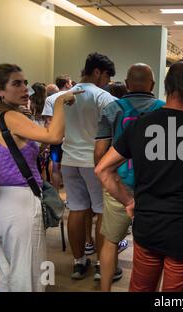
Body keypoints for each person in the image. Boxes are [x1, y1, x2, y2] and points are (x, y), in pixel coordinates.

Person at [95, 60, 183, 292]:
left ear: (165, 86)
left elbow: (102, 169)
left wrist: (129, 201)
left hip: (147, 226)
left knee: (141, 288)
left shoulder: (139, 126)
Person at [0, 63, 81, 291]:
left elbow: (33, 145)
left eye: (25, 82)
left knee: (6, 273)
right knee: (31, 276)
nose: (25, 88)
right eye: (16, 83)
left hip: (2, 201)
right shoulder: (11, 117)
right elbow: (54, 136)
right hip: (20, 204)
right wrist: (62, 102)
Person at [95, 63, 165, 291]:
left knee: (110, 241)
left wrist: (107, 178)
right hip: (153, 188)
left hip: (119, 186)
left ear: (126, 84)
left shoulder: (111, 109)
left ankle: (104, 288)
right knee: (151, 247)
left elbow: (99, 152)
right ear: (153, 85)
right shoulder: (163, 110)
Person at [62, 53, 117, 281]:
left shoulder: (62, 96)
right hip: (94, 161)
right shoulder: (104, 97)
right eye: (106, 76)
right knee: (103, 211)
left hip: (68, 160)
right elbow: (115, 131)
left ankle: (78, 262)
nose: (107, 82)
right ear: (97, 72)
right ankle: (99, 265)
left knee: (76, 209)